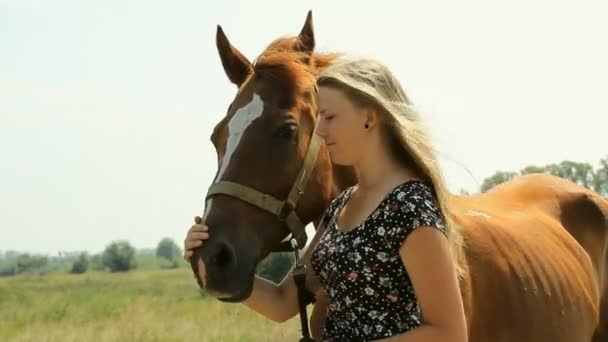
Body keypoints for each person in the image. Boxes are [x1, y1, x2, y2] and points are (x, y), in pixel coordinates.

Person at [184, 57, 468, 342]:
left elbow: (449, 334)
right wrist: (214, 266)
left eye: (329, 117)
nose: (319, 130)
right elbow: (282, 302)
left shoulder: (410, 207)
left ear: (369, 118)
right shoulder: (341, 207)